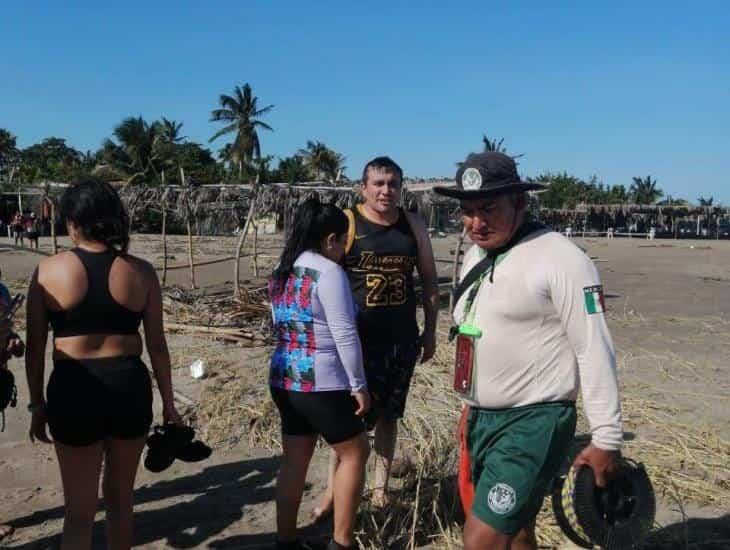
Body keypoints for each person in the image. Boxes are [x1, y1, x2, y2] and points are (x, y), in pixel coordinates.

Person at [434, 152, 623, 550]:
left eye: (488, 208)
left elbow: (593, 347)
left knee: (481, 538)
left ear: (520, 202)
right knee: (516, 530)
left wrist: (607, 436)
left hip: (534, 420)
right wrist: (471, 404)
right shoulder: (476, 254)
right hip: (484, 419)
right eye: (467, 211)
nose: (476, 223)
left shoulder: (563, 260)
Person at [25, 178, 184, 550]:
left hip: (73, 388)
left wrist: (37, 405)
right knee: (121, 503)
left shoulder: (49, 271)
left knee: (78, 513)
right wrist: (170, 405)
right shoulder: (141, 272)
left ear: (73, 222)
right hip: (128, 386)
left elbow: (35, 349)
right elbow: (158, 348)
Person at [316, 156, 439, 516]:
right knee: (348, 420)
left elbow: (429, 280)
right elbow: (326, 280)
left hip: (401, 339)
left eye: (393, 184)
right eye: (379, 184)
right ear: (363, 188)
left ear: (401, 188)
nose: (386, 191)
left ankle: (379, 488)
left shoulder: (412, 225)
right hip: (356, 343)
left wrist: (429, 332)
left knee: (389, 416)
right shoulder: (348, 223)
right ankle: (332, 490)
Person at [268, 198, 370, 550]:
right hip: (320, 382)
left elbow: (278, 324)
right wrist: (358, 384)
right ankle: (342, 541)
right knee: (355, 452)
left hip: (283, 378)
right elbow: (344, 333)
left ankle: (285, 539)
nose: (344, 250)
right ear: (329, 239)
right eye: (343, 242)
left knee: (294, 459)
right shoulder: (328, 273)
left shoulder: (282, 271)